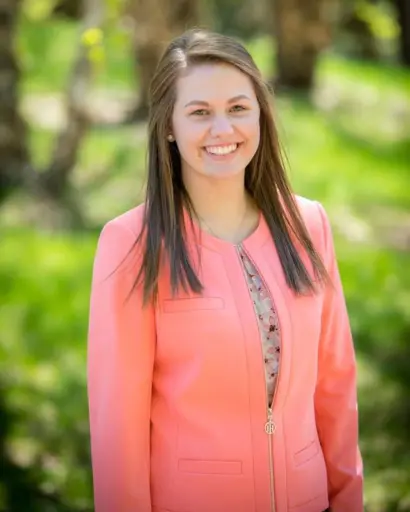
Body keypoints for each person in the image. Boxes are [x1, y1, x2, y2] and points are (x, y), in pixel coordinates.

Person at [87, 28, 363, 512]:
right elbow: (118, 428)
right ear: (169, 126)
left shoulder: (309, 225)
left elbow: (335, 388)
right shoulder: (131, 244)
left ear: (261, 114)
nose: (223, 130)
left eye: (238, 108)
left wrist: (347, 500)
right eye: (199, 113)